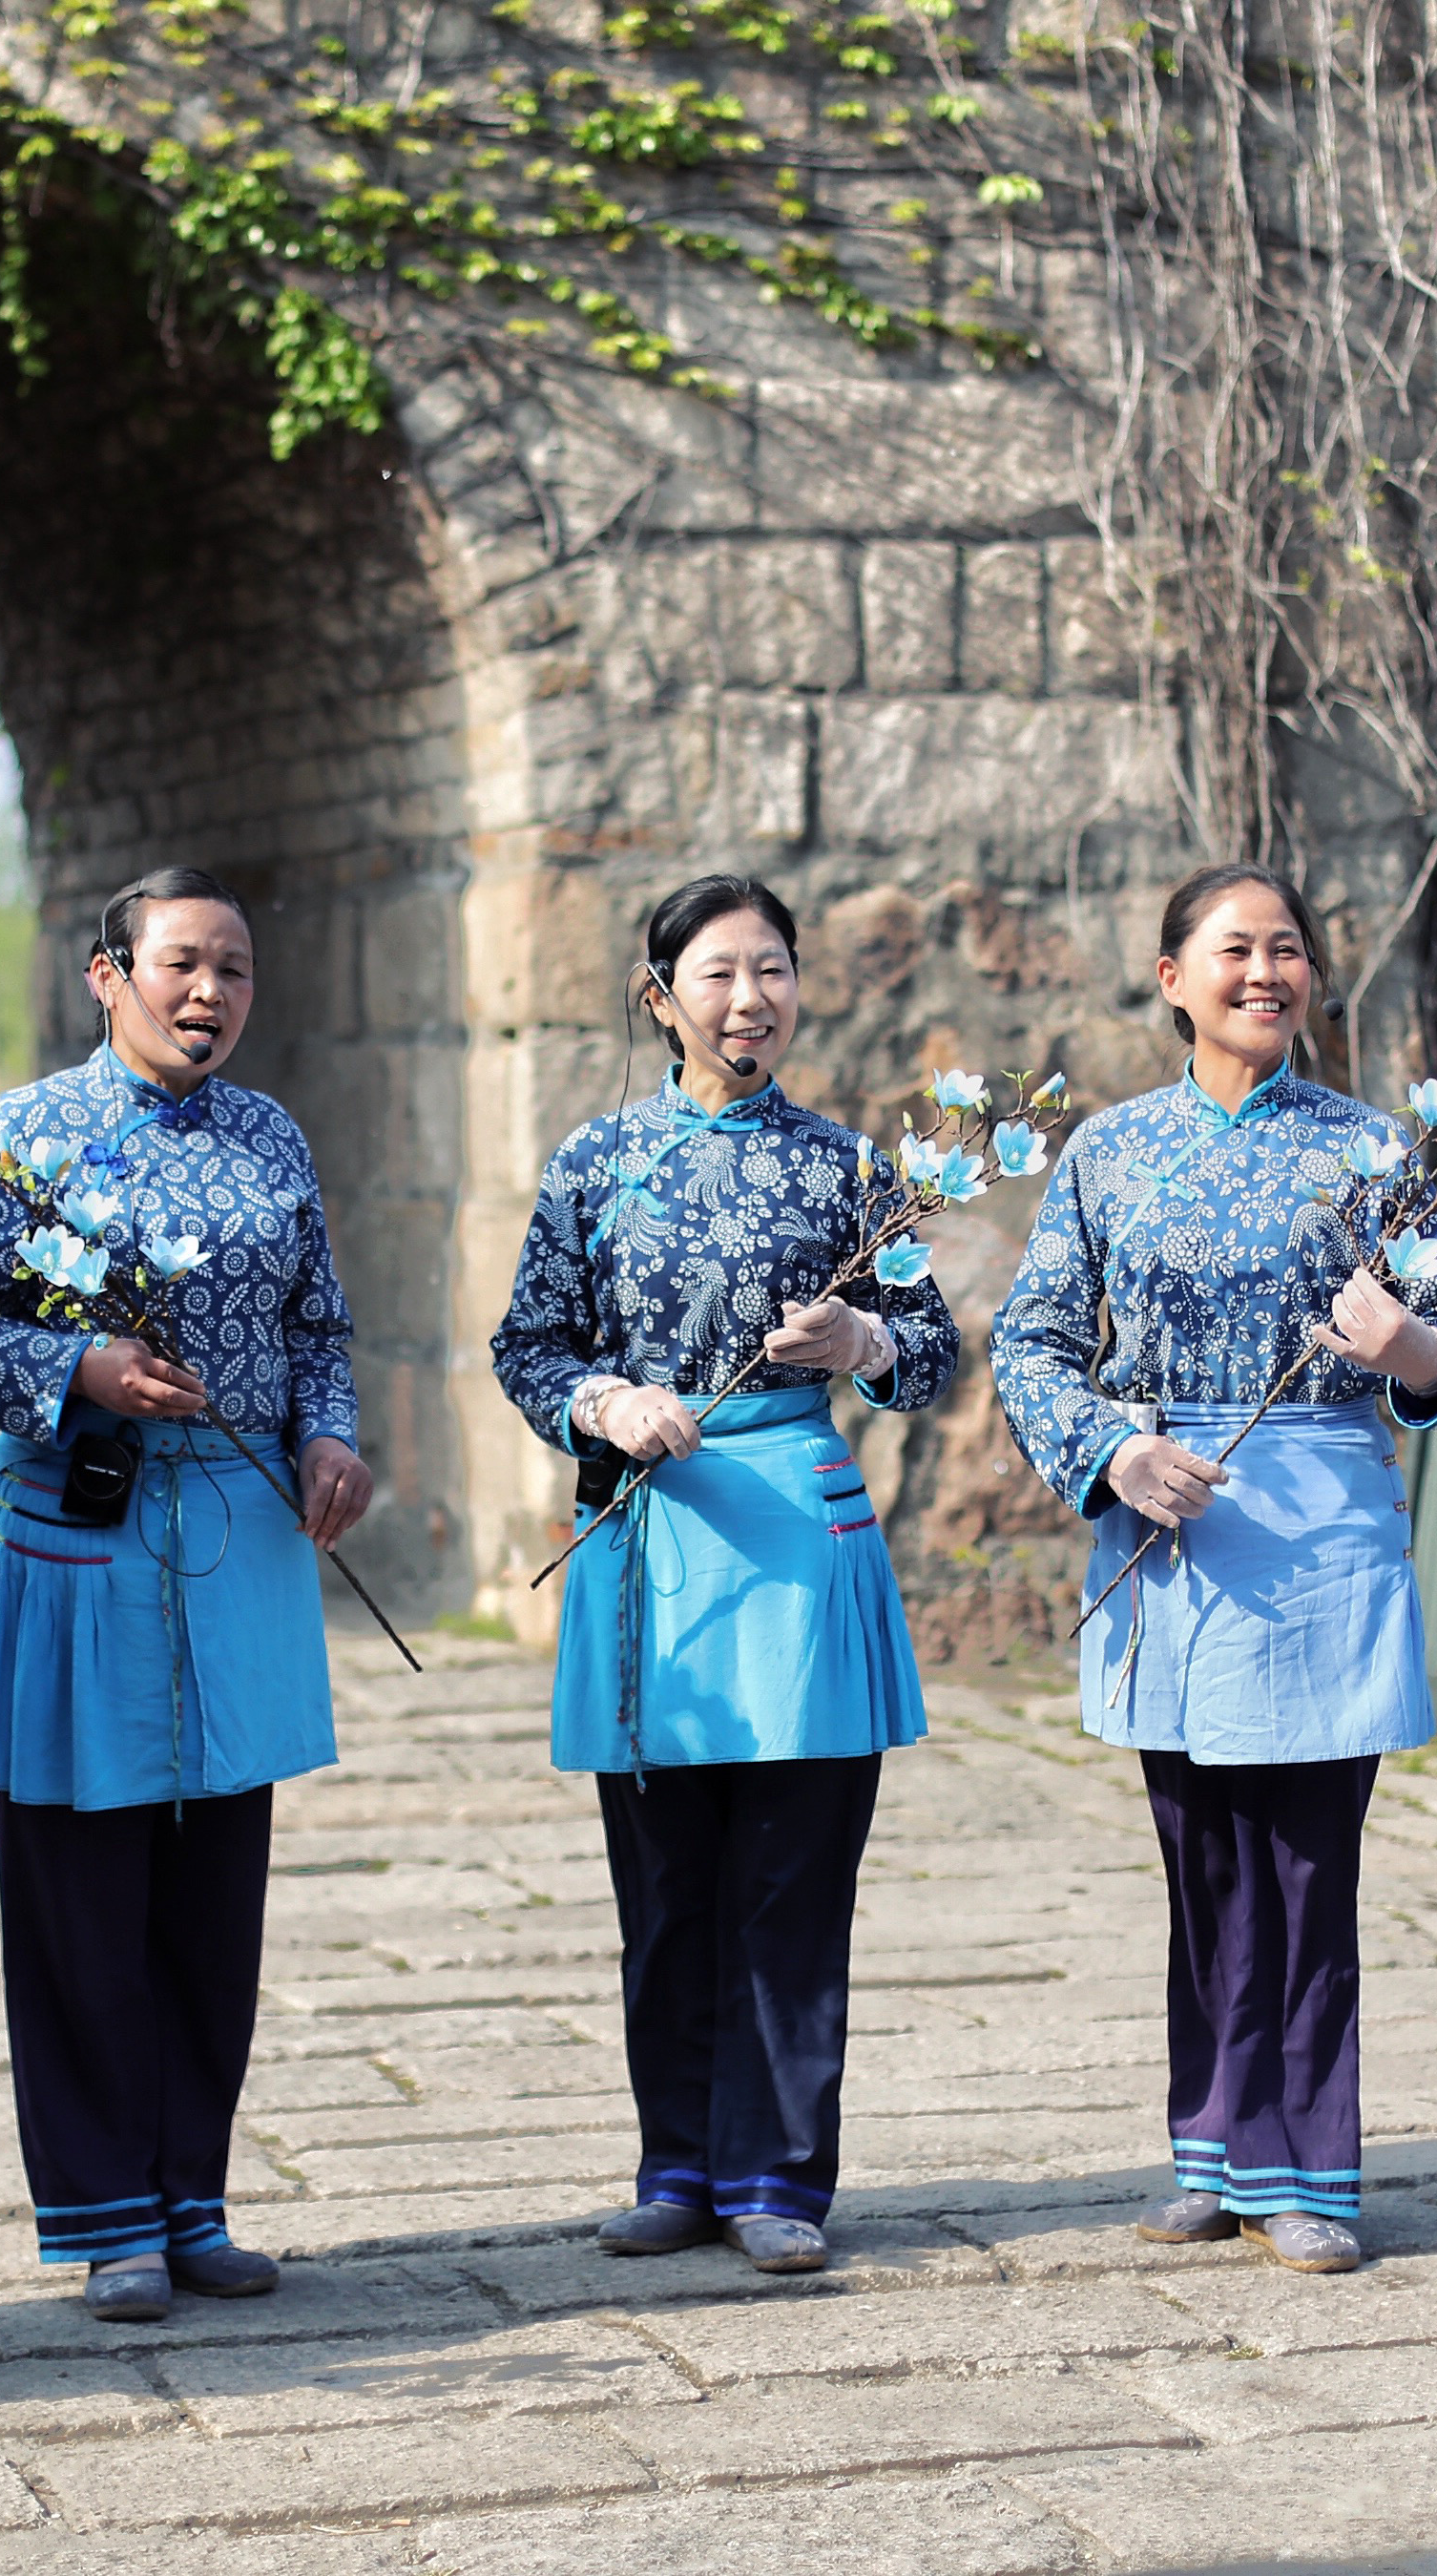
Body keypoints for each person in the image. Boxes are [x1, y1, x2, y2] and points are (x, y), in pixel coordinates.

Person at [989, 866, 1437, 2277]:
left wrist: (1400, 1346)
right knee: (1203, 1861)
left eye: (1286, 951)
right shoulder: (1107, 1151)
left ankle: (1311, 2171)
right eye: (1233, 949)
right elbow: (1030, 1342)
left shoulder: (1374, 1152)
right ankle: (1210, 2147)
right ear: (1172, 978)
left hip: (1321, 1530)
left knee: (1305, 1864)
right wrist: (1112, 1451)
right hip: (1169, 1526)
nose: (1263, 971)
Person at [0, 866, 367, 2324]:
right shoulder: (21, 1138)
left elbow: (318, 1326)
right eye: (179, 964)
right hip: (73, 1547)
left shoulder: (274, 1138)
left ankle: (195, 2200)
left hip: (236, 1550)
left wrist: (328, 1432)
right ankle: (104, 2219)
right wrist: (76, 1372)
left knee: (217, 1893)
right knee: (83, 1895)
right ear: (108, 976)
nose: (208, 992)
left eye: (232, 966)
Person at [488, 874, 954, 2276]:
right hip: (651, 1528)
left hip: (800, 1537)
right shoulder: (594, 1164)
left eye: (773, 970)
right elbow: (527, 1347)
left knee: (795, 1877)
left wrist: (862, 1344)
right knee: (668, 1878)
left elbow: (932, 1349)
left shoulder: (853, 1169)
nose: (750, 999)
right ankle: (676, 2162)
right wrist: (609, 1404)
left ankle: (779, 2178)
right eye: (718, 973)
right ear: (661, 995)